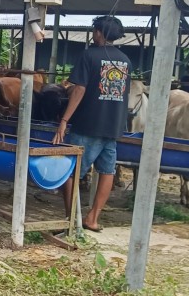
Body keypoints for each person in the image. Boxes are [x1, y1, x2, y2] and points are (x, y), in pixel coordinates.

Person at [53, 15, 131, 233]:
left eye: (95, 30)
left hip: (88, 124)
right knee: (107, 171)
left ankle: (71, 219)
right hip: (114, 126)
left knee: (70, 172)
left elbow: (78, 89)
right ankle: (92, 218)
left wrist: (64, 119)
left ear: (98, 32)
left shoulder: (89, 55)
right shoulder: (126, 60)